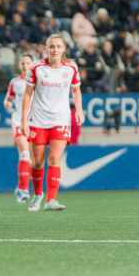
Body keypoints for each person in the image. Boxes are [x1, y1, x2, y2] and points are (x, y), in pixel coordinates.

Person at [21, 34, 84, 212]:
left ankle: (51, 200)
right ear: (46, 49)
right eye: (51, 47)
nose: (55, 50)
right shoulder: (37, 67)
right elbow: (28, 93)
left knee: (55, 159)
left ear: (64, 48)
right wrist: (24, 120)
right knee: (37, 163)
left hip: (60, 119)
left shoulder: (71, 67)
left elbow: (76, 90)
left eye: (58, 46)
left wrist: (79, 109)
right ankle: (38, 195)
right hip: (39, 120)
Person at [4, 54, 33, 204]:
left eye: (28, 63)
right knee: (25, 153)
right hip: (18, 121)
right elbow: (8, 99)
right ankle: (24, 190)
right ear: (20, 65)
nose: (25, 65)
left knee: (32, 160)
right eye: (23, 63)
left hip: (34, 122)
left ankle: (20, 187)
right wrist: (7, 104)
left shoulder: (38, 82)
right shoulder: (15, 82)